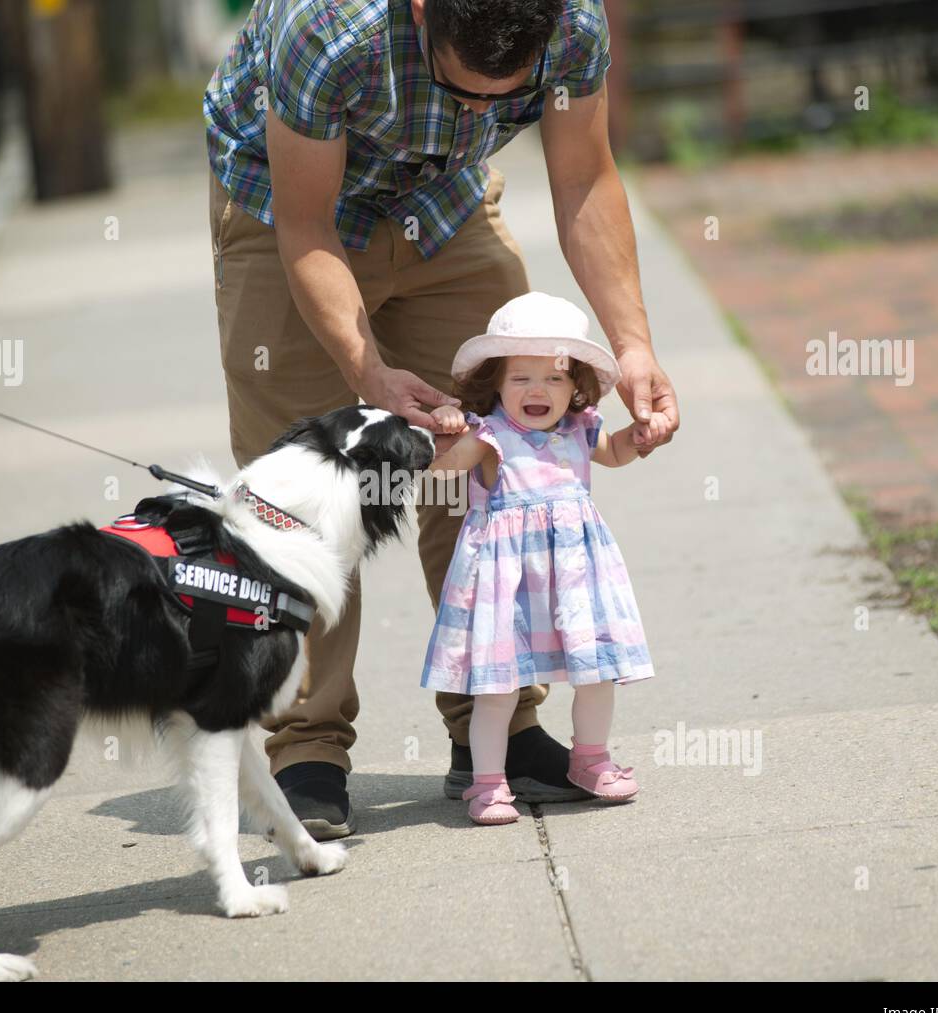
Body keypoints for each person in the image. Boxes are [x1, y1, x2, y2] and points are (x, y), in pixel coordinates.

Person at [202, 0, 679, 839]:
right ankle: (307, 743)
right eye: (463, 94)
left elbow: (583, 178)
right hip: (288, 212)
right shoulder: (330, 28)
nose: (481, 116)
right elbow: (308, 224)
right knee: (306, 489)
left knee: (497, 452)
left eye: (504, 102)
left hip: (444, 207)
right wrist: (368, 373)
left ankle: (497, 724)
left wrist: (632, 343)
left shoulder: (570, 20)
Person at [422, 291, 661, 823]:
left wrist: (641, 438)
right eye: (520, 378)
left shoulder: (581, 429)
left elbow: (616, 453)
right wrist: (445, 430)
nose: (538, 390)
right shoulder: (491, 437)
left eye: (554, 378)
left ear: (576, 387)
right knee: (499, 685)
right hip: (509, 582)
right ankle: (486, 783)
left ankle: (590, 759)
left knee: (595, 669)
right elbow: (440, 474)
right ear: (495, 385)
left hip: (575, 577)